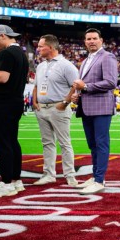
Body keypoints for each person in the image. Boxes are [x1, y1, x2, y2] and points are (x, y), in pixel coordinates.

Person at [72, 28, 118, 195]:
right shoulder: (85, 61)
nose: (91, 41)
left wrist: (86, 87)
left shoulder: (107, 57)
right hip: (87, 106)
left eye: (94, 38)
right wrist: (78, 95)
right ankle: (96, 176)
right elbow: (83, 85)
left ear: (101, 40)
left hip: (101, 106)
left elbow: (111, 82)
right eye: (88, 39)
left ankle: (99, 180)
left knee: (101, 143)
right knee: (92, 144)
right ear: (85, 42)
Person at [32, 34, 79, 187]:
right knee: (47, 143)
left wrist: (65, 102)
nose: (38, 49)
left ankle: (70, 175)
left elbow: (76, 85)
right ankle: (48, 174)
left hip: (58, 107)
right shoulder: (40, 65)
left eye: (40, 46)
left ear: (50, 47)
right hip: (42, 108)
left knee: (64, 143)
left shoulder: (66, 65)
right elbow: (37, 85)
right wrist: (34, 100)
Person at [0, 24, 28, 198]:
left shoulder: (6, 53)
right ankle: (15, 180)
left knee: (2, 143)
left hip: (3, 103)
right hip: (15, 101)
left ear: (3, 35)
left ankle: (5, 183)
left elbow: (2, 77)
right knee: (12, 141)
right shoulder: (21, 53)